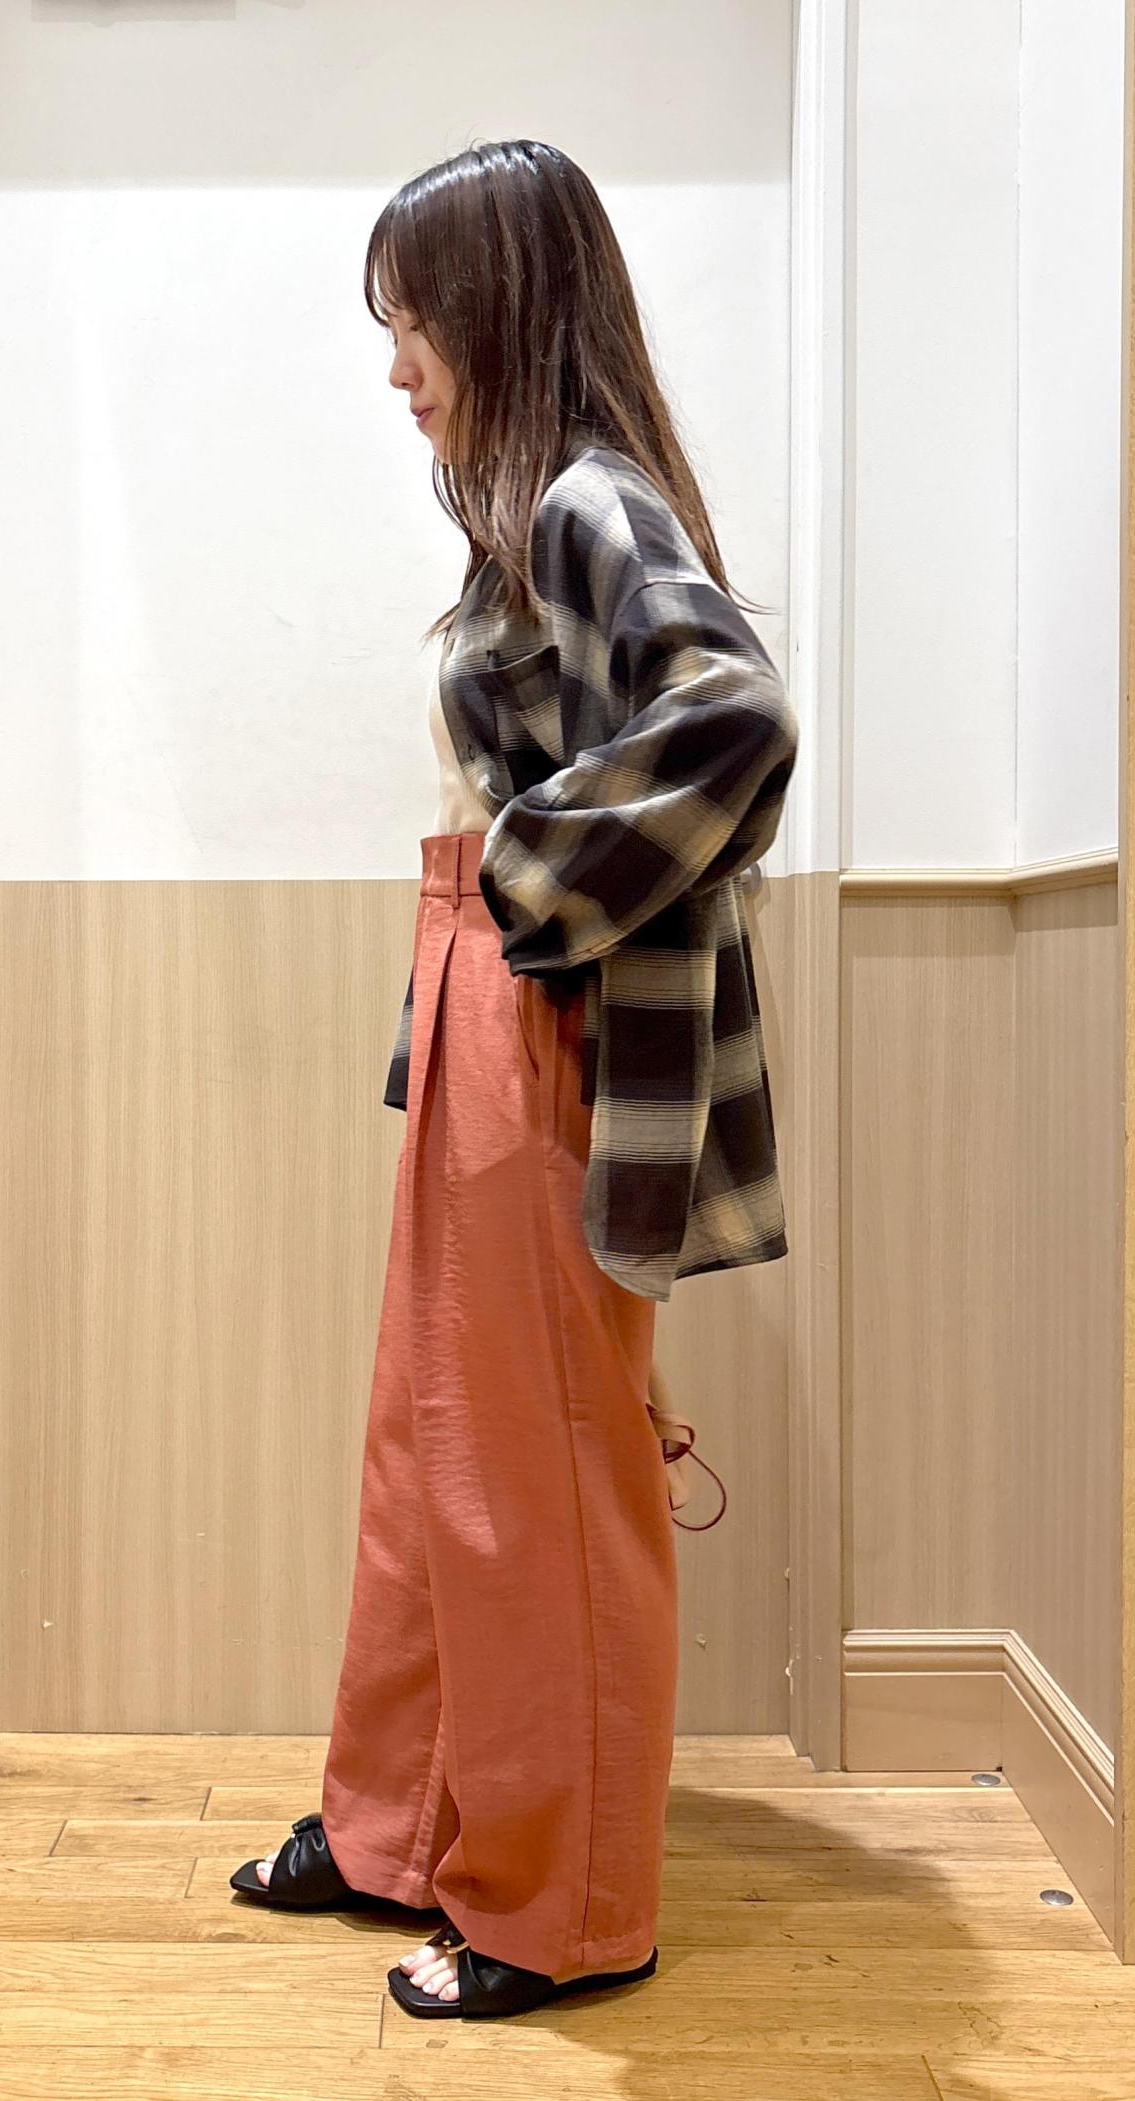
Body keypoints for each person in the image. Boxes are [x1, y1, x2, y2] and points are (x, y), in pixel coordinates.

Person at [229, 139, 799, 2023]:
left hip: (544, 1019)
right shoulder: (535, 514)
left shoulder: (585, 499)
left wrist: (525, 893)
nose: (398, 364)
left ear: (504, 309)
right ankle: (399, 1827)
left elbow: (735, 713)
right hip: (490, 999)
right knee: (430, 1451)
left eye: (419, 321)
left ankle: (565, 1903)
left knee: (534, 1475)